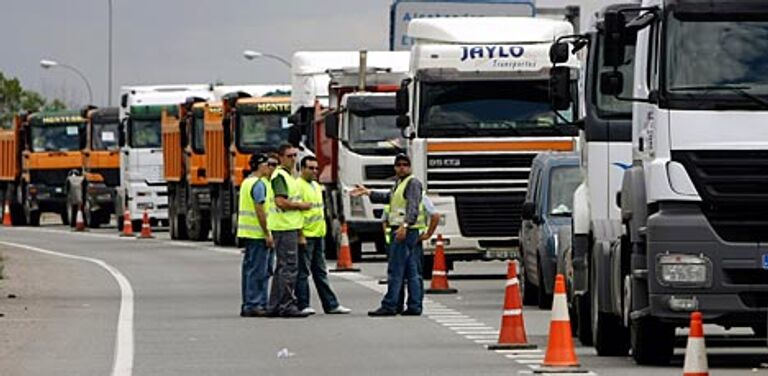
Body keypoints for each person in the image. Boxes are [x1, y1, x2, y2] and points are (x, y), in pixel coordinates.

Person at [351, 153, 426, 316]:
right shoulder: (399, 184)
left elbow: (412, 207)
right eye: (398, 164)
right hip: (406, 230)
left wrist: (405, 225)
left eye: (405, 164)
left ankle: (391, 305)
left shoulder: (412, 183)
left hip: (403, 230)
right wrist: (368, 192)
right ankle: (413, 306)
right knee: (411, 270)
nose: (402, 167)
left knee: (396, 270)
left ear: (410, 167)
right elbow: (389, 198)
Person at [295, 156, 351, 315]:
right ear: (302, 169)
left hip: (318, 234)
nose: (314, 171)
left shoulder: (315, 186)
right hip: (306, 235)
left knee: (320, 272)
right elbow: (297, 213)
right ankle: (303, 304)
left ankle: (331, 305)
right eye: (310, 168)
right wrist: (300, 234)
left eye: (316, 168)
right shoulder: (298, 186)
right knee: (303, 273)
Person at [267, 143, 312, 318]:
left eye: (295, 155)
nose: (293, 159)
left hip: (288, 226)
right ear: (280, 157)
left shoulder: (289, 176)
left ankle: (275, 305)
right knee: (289, 267)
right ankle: (286, 304)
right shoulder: (280, 177)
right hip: (284, 226)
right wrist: (301, 206)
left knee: (282, 267)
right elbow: (280, 202)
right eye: (289, 156)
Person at [382, 195, 441, 312]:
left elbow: (384, 221)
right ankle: (414, 305)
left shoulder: (413, 197)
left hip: (406, 238)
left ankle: (396, 305)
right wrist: (428, 234)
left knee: (398, 273)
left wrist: (428, 234)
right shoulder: (400, 197)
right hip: (411, 238)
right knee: (412, 273)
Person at [237, 153, 276, 317]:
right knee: (259, 271)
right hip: (258, 234)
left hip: (248, 233)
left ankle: (250, 303)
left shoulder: (247, 182)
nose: (270, 167)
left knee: (250, 270)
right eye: (268, 164)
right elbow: (259, 209)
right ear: (260, 165)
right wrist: (267, 233)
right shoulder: (259, 184)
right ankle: (256, 303)